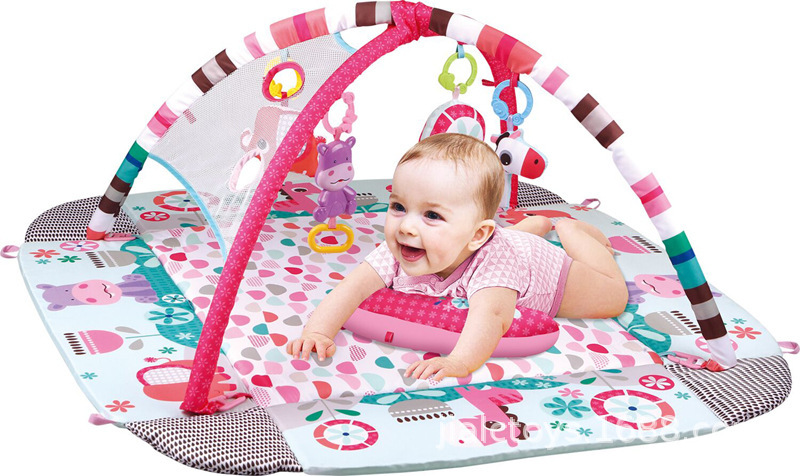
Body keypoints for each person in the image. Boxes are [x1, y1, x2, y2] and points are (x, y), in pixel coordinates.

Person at [286, 133, 628, 381]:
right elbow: (350, 288)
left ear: (477, 235)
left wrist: (458, 362)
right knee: (505, 241)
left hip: (552, 276)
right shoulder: (399, 246)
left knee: (613, 298)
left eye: (432, 215)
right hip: (505, 244)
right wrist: (319, 332)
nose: (406, 226)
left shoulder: (493, 265)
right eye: (399, 206)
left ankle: (571, 230)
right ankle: (530, 227)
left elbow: (492, 317)